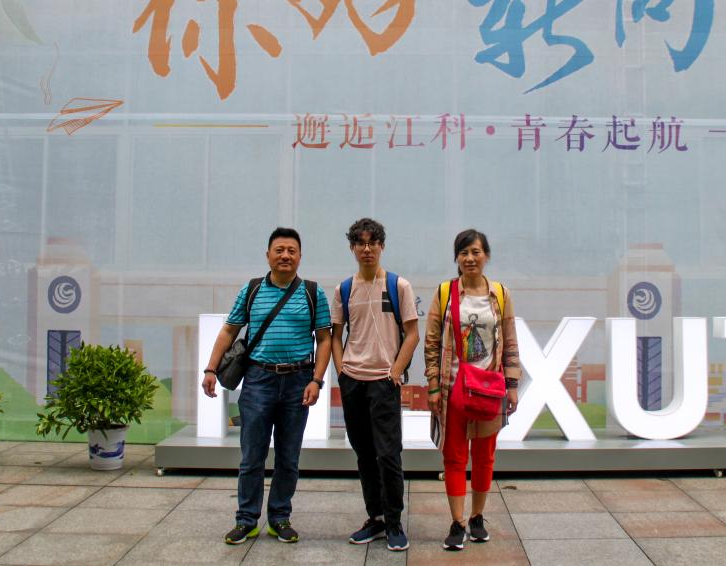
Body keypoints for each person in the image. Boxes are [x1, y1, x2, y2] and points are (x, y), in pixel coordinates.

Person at [202, 227, 331, 545]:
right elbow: (229, 331)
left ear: (300, 256)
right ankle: (246, 520)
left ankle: (279, 518)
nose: (285, 255)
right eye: (279, 250)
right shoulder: (252, 290)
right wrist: (210, 369)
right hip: (258, 381)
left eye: (291, 250)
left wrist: (316, 380)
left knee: (288, 457)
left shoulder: (313, 293)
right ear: (268, 255)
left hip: (298, 381)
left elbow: (325, 339)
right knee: (251, 456)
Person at [425, 229, 521, 551]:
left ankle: (477, 517)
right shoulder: (445, 293)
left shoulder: (500, 294)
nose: (469, 258)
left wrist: (512, 384)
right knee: (453, 457)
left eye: (476, 252)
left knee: (484, 457)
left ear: (486, 256)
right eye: (464, 252)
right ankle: (457, 523)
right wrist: (434, 386)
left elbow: (510, 342)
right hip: (453, 389)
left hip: (488, 389)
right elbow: (432, 343)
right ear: (456, 257)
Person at [332, 218, 419, 552]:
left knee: (389, 455)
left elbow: (412, 334)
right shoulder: (343, 289)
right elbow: (335, 335)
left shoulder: (398, 286)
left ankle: (394, 522)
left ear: (382, 246)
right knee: (364, 455)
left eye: (372, 242)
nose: (366, 249)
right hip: (354, 382)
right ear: (352, 247)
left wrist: (395, 370)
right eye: (360, 243)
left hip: (384, 382)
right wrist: (341, 370)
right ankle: (376, 518)